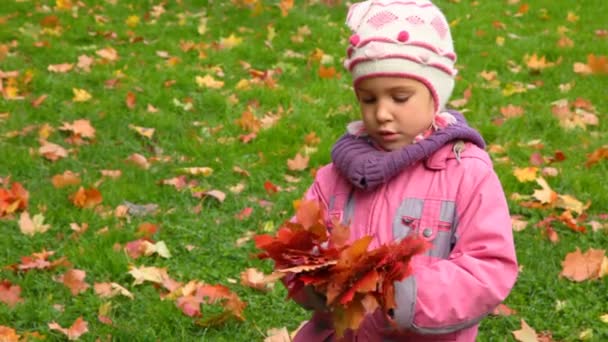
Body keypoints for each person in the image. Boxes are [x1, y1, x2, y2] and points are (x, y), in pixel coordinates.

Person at [286, 0, 518, 341]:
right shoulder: (334, 175)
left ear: (434, 95)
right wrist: (315, 284)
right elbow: (298, 247)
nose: (382, 113)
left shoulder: (465, 173)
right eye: (368, 99)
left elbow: (488, 266)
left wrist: (407, 294)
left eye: (399, 97)